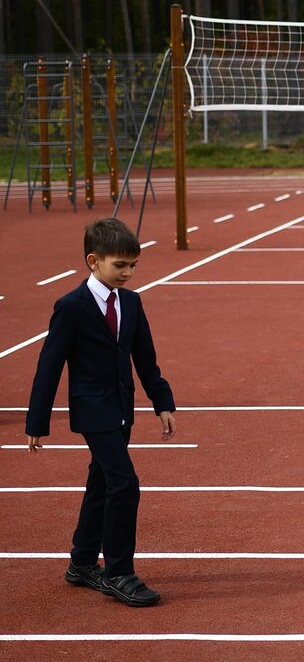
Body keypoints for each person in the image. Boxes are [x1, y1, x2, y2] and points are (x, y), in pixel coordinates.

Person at [25, 217, 176, 607]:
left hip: (122, 408)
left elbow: (145, 357)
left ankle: (81, 561)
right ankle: (119, 572)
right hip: (94, 412)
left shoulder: (132, 301)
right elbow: (49, 365)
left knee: (102, 481)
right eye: (120, 265)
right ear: (94, 261)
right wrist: (36, 422)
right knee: (124, 483)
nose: (128, 273)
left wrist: (162, 401)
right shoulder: (71, 307)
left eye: (133, 266)